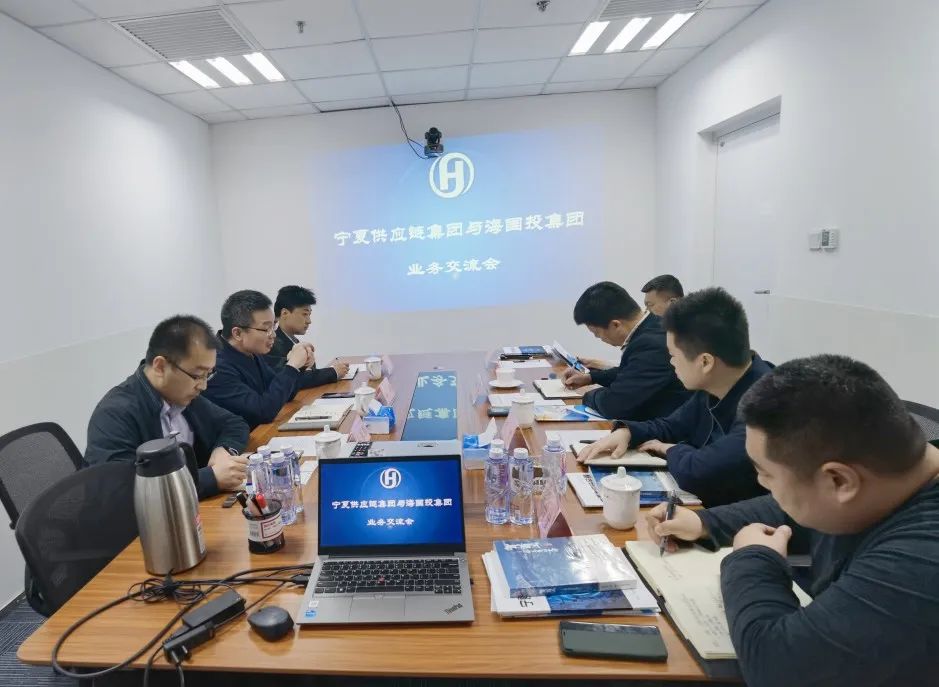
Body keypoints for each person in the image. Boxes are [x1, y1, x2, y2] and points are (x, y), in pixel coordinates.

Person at [643, 355, 939, 687]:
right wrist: (705, 522)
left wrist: (752, 557)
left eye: (767, 475)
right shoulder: (892, 476)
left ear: (839, 481)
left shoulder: (922, 558)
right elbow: (790, 508)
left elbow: (777, 667)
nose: (763, 484)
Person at [578, 287, 770, 506]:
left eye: (673, 355)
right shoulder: (716, 383)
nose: (671, 363)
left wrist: (669, 448)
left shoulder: (766, 406)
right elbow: (671, 425)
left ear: (705, 362)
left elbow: (699, 471)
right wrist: (628, 432)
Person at [85, 315, 249, 499]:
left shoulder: (182, 396)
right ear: (160, 366)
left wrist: (223, 450)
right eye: (197, 375)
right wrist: (210, 478)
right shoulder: (115, 414)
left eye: (208, 374)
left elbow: (234, 424)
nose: (203, 386)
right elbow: (119, 491)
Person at [562, 281, 689, 421]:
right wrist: (591, 378)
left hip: (667, 426)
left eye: (596, 333)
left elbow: (614, 406)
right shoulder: (654, 324)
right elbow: (631, 371)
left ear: (616, 325)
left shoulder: (651, 344)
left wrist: (587, 395)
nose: (599, 338)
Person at [203, 290, 319, 429]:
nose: (273, 335)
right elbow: (262, 412)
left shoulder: (250, 352)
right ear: (238, 333)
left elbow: (284, 394)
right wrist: (292, 366)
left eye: (273, 327)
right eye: (266, 329)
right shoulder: (216, 366)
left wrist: (300, 365)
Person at [266, 285, 349, 384]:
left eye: (309, 315)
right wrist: (333, 372)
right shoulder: (271, 344)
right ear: (284, 313)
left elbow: (308, 372)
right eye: (304, 314)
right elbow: (292, 378)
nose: (309, 321)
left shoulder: (294, 341)